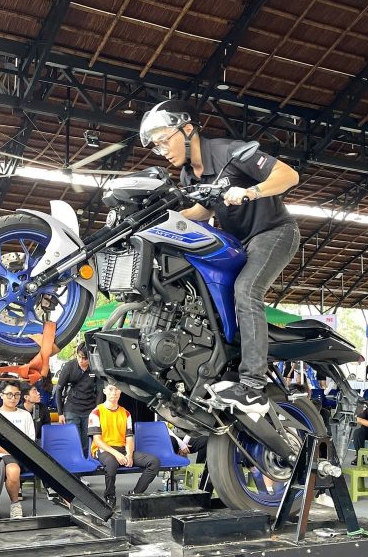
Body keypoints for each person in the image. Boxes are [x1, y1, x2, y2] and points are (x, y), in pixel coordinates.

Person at [139, 99, 300, 410]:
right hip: (239, 242)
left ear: (187, 129)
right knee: (208, 293)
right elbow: (202, 211)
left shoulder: (230, 152)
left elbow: (288, 175)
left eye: (164, 140)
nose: (163, 150)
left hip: (274, 232)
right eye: (157, 146)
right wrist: (162, 220)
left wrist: (251, 191)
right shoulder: (189, 176)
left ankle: (253, 385)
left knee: (246, 290)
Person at [89, 383, 160, 509]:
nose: (114, 392)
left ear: (121, 392)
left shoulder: (126, 413)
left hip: (122, 449)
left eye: (117, 389)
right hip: (104, 449)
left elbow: (129, 438)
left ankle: (135, 494)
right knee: (111, 464)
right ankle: (110, 496)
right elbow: (97, 440)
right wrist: (117, 455)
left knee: (154, 462)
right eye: (110, 389)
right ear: (104, 391)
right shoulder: (96, 412)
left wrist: (129, 455)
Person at [0, 382, 36, 519]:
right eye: (9, 394)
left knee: (14, 470)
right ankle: (0, 505)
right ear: (1, 395)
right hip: (0, 454)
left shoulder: (25, 415)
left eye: (17, 395)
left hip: (21, 454)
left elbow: (30, 440)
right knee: (12, 470)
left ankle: (15, 504)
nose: (13, 398)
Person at [55, 345, 99, 455]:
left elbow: (100, 391)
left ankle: (86, 461)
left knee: (87, 442)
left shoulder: (96, 366)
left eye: (85, 358)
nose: (81, 361)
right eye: (79, 357)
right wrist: (60, 413)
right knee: (74, 440)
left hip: (89, 409)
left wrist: (97, 411)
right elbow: (59, 389)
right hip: (72, 408)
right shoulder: (69, 366)